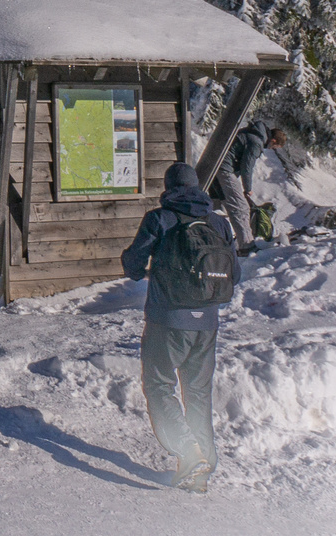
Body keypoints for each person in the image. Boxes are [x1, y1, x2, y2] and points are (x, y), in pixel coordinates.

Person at [121, 161, 242, 494]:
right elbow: (236, 274)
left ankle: (189, 454)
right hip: (208, 322)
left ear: (168, 186)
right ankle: (202, 466)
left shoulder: (160, 218)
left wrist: (133, 265)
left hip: (168, 319)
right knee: (199, 393)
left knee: (160, 388)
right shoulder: (219, 223)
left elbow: (134, 264)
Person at [214, 119, 285, 253]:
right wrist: (248, 189)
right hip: (225, 169)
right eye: (274, 147)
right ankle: (246, 246)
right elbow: (247, 166)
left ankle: (236, 242)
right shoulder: (256, 142)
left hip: (219, 167)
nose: (271, 148)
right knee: (241, 208)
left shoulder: (252, 133)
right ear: (274, 141)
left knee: (230, 206)